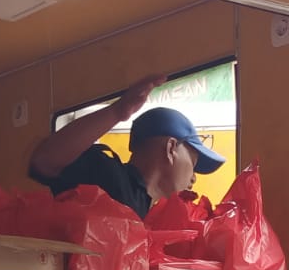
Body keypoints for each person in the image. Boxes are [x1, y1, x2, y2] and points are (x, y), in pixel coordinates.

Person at [27, 75, 225, 219]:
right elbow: (45, 161)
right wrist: (118, 111)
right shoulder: (107, 175)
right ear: (171, 148)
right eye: (193, 162)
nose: (194, 178)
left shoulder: (153, 214)